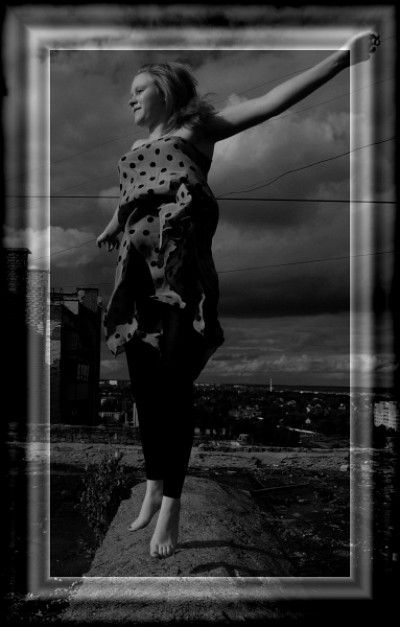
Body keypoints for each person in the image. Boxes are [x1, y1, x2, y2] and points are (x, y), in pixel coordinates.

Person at [96, 31, 379, 559]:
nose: (130, 98)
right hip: (135, 279)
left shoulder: (197, 130)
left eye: (139, 89)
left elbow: (272, 102)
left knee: (173, 386)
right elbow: (135, 193)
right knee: (146, 392)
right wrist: (114, 223)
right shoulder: (134, 150)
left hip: (180, 278)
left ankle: (172, 504)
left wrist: (341, 61)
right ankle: (153, 485)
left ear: (166, 90)